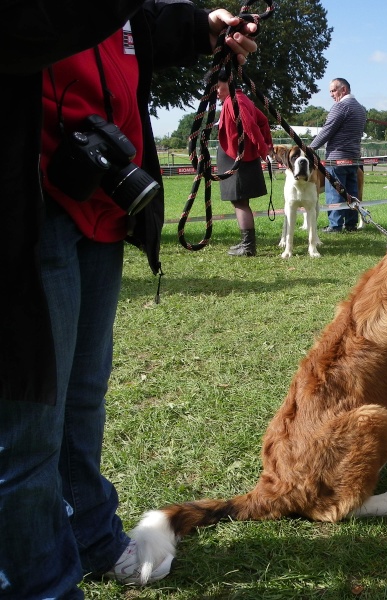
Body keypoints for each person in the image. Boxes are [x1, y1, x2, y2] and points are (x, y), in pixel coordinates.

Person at [0, 3, 257, 596]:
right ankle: (43, 585)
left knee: (82, 399)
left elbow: (133, 28)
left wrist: (204, 28)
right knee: (27, 423)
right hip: (27, 211)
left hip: (100, 202)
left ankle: (90, 539)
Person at [216, 79, 273, 256]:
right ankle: (246, 244)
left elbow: (252, 126)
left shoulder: (236, 101)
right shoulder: (242, 99)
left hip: (237, 158)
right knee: (239, 201)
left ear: (228, 82)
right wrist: (266, 144)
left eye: (217, 86)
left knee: (240, 201)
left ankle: (248, 247)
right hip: (239, 156)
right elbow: (263, 121)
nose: (216, 91)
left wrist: (264, 150)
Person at [310, 78, 367, 233]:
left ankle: (335, 226)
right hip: (354, 158)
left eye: (333, 90)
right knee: (352, 193)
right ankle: (351, 224)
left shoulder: (340, 106)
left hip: (336, 158)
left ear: (344, 90)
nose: (331, 94)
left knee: (334, 193)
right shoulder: (361, 109)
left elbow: (327, 130)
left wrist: (309, 148)